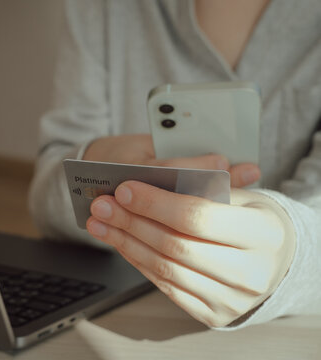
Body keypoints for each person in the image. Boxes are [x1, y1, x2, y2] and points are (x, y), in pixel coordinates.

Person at [28, 0, 321, 329]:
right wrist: (96, 165)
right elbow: (45, 203)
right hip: (117, 315)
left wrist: (289, 252)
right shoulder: (103, 8)